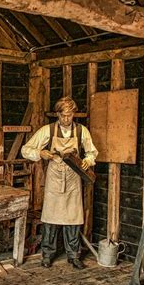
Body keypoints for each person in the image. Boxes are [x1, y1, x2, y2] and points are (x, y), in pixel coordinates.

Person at [21, 96, 98, 270]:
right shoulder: (48, 130)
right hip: (54, 177)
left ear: (73, 114)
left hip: (73, 178)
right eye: (63, 116)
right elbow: (26, 149)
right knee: (50, 218)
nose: (66, 119)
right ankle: (47, 255)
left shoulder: (81, 131)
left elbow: (92, 152)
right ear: (58, 114)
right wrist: (41, 153)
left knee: (73, 218)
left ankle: (73, 255)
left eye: (69, 115)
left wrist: (88, 159)